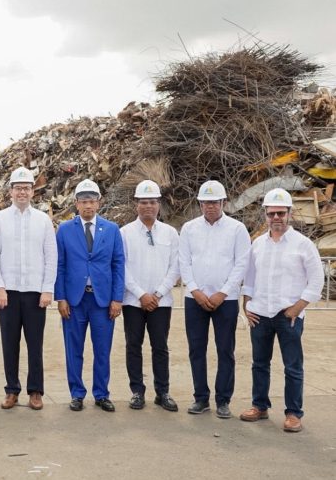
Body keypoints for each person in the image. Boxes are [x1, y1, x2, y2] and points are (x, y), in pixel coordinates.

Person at [240, 189, 323, 433]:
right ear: (265, 215)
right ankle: (260, 406)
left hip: (289, 317)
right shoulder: (258, 244)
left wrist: (297, 307)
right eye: (272, 213)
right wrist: (246, 305)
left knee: (293, 367)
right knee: (260, 364)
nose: (276, 217)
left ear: (289, 214)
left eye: (281, 213)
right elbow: (250, 278)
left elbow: (317, 280)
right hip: (261, 314)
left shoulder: (303, 245)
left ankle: (293, 413)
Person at [0, 167, 57, 411]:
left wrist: (48, 289)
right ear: (11, 191)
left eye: (26, 188)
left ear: (33, 191)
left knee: (35, 344)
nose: (22, 192)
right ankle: (11, 390)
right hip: (9, 293)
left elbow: (51, 256)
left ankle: (35, 391)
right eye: (18, 188)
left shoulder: (43, 220)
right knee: (10, 343)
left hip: (36, 293)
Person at [179, 180, 250, 419]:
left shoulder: (237, 229)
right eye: (206, 202)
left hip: (225, 301)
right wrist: (195, 291)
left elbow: (241, 264)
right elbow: (184, 262)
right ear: (199, 204)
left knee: (225, 350)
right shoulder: (189, 229)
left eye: (215, 202)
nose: (210, 206)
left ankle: (223, 400)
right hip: (195, 300)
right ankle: (201, 398)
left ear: (224, 203)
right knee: (196, 349)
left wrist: (224, 292)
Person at [55, 178, 125, 413]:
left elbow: (118, 264)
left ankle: (101, 394)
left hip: (102, 301)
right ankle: (76, 393)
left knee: (102, 349)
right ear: (76, 204)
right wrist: (61, 298)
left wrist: (117, 299)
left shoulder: (112, 229)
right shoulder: (64, 230)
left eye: (92, 201)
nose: (88, 206)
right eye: (83, 201)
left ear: (99, 203)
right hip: (75, 301)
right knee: (73, 349)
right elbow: (60, 265)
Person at [119, 180, 180, 411]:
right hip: (133, 301)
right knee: (133, 345)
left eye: (152, 202)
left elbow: (176, 266)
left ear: (159, 204)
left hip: (161, 302)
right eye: (143, 202)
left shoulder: (170, 233)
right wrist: (141, 294)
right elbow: (121, 267)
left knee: (160, 346)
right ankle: (137, 391)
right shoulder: (124, 233)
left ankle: (162, 391)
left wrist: (158, 293)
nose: (148, 207)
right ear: (136, 204)